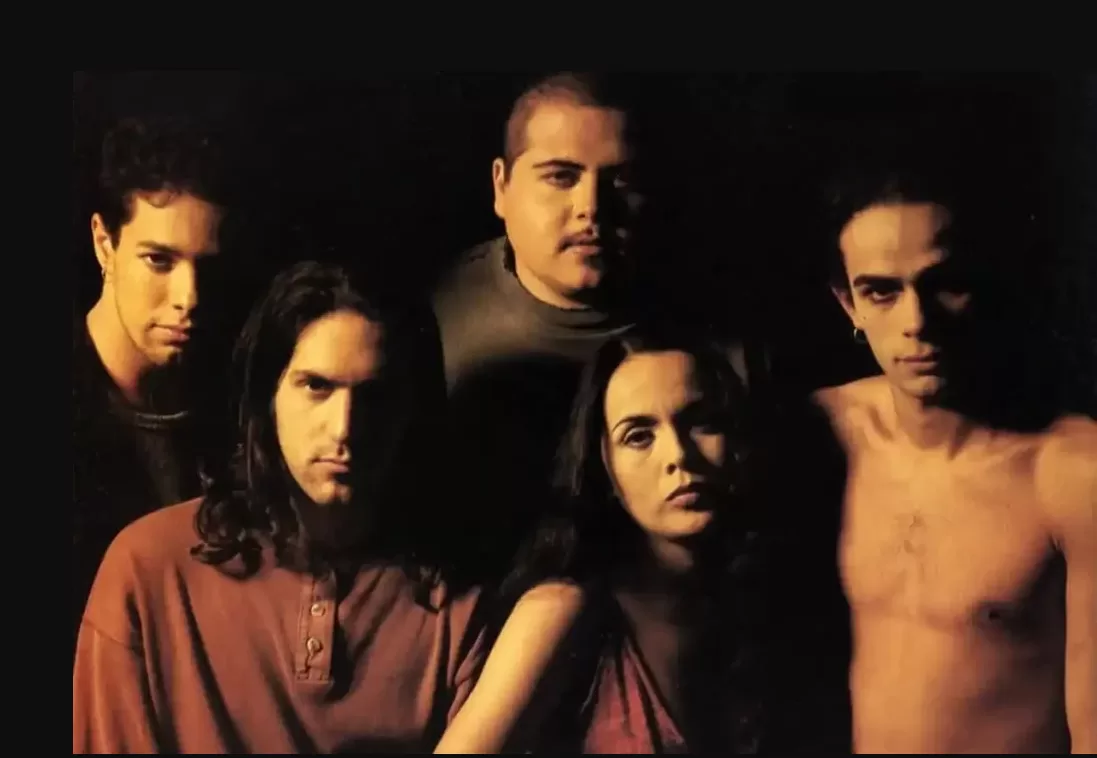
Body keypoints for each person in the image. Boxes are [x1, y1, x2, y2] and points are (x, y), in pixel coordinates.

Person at [73, 261, 485, 753]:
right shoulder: (149, 569)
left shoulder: (458, 596)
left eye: (375, 395)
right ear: (268, 397)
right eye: (316, 386)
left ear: (410, 409)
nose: (344, 428)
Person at [811, 146, 1096, 753]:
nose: (917, 320)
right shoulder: (824, 432)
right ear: (848, 304)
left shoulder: (1072, 474)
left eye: (945, 285)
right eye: (882, 292)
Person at [433, 72, 766, 584]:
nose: (591, 207)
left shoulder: (723, 338)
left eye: (620, 180)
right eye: (561, 177)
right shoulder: (434, 318)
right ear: (501, 186)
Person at [435, 326, 766, 754]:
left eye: (701, 422)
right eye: (638, 436)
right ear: (604, 467)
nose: (679, 456)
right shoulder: (562, 611)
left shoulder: (758, 604)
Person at [73, 115, 244, 654]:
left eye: (205, 266)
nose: (189, 297)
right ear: (104, 244)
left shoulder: (226, 401)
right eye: (159, 260)